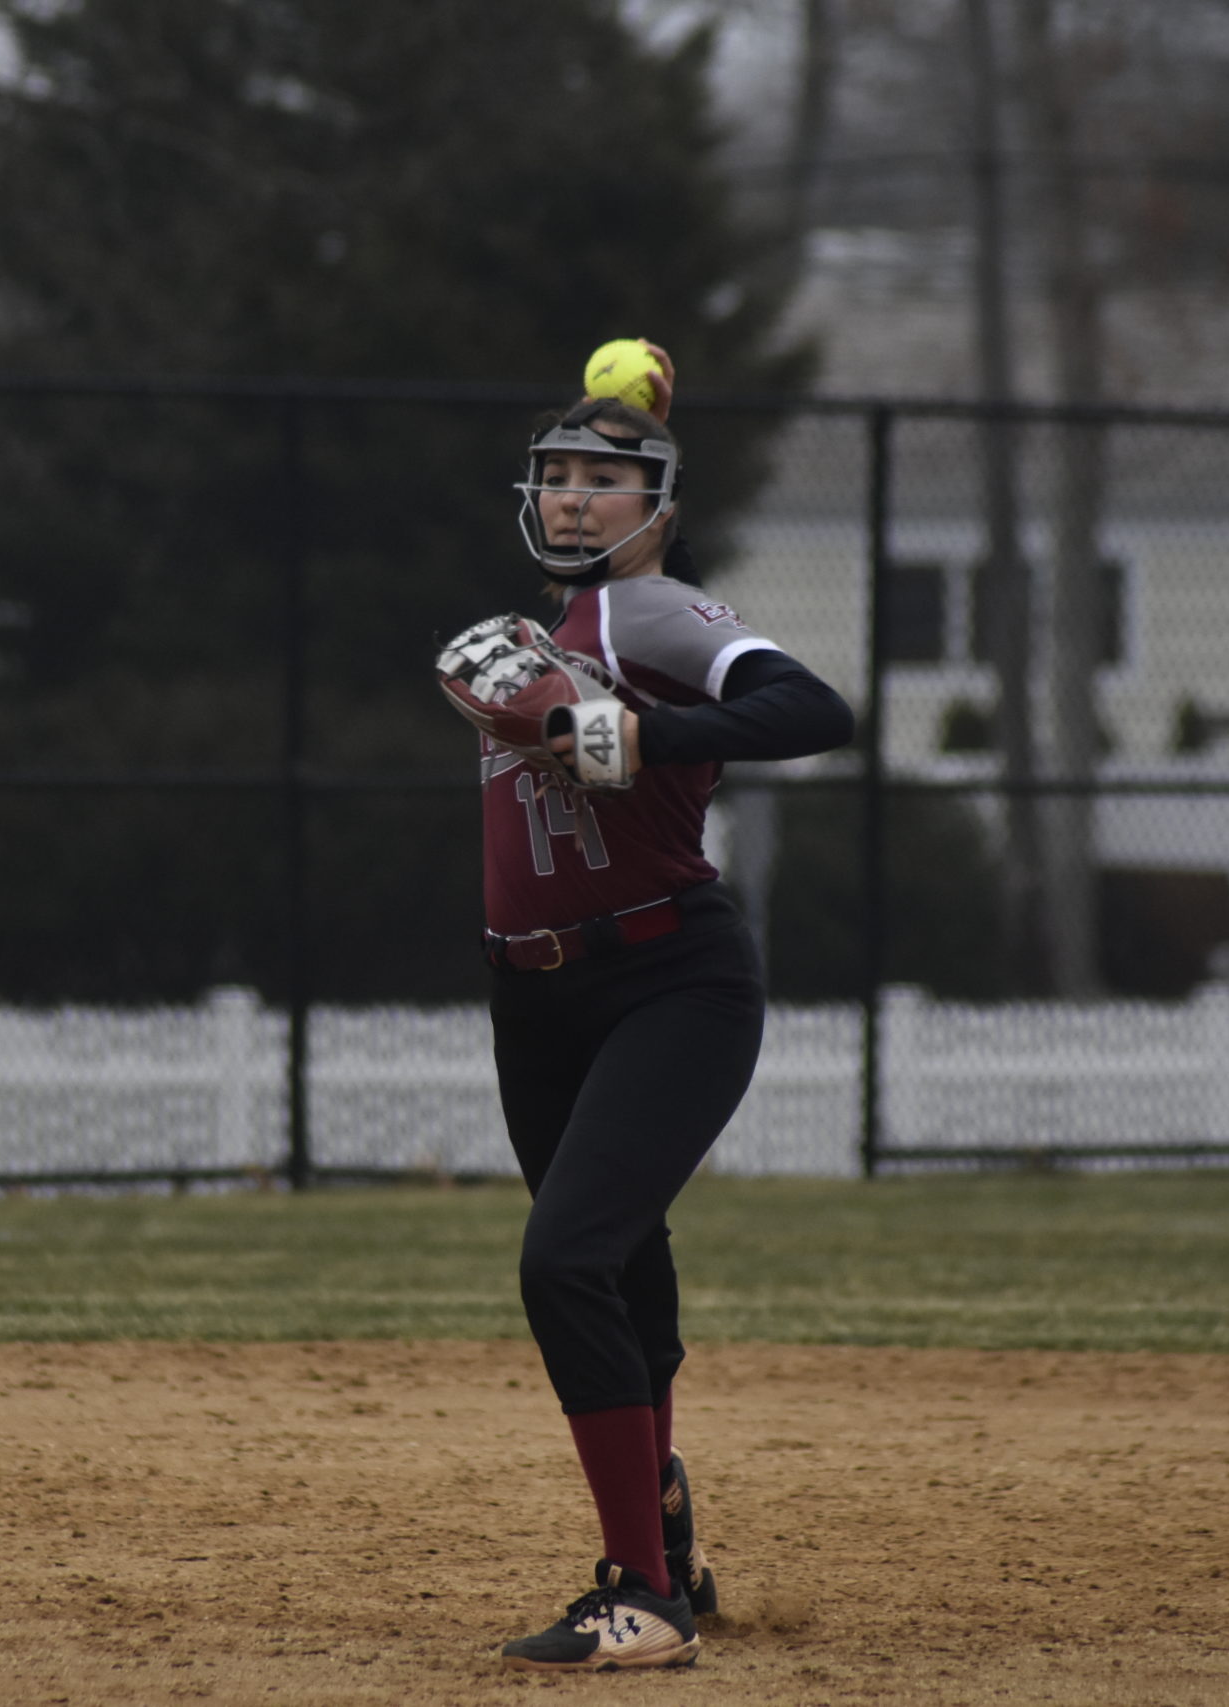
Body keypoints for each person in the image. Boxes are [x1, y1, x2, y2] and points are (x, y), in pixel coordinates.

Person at [450, 353, 854, 1671]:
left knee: (564, 1261)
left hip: (668, 975)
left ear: (656, 504)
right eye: (558, 478)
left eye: (606, 480)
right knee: (615, 1261)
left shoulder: (648, 616)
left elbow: (811, 708)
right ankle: (664, 1533)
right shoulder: (542, 640)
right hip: (537, 993)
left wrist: (653, 735)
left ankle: (642, 1599)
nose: (576, 501)